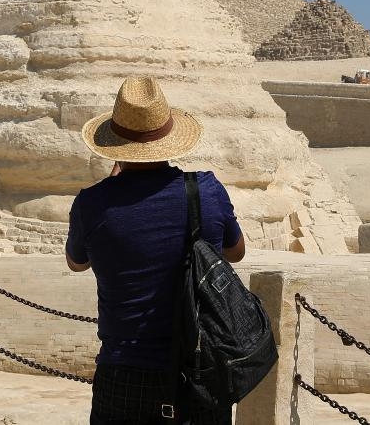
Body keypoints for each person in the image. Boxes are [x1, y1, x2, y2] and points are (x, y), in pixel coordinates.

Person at [66, 76, 245, 424]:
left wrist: (114, 190)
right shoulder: (206, 191)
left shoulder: (91, 203)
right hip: (198, 369)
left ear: (115, 144)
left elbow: (76, 262)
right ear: (168, 137)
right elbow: (235, 252)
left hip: (123, 373)